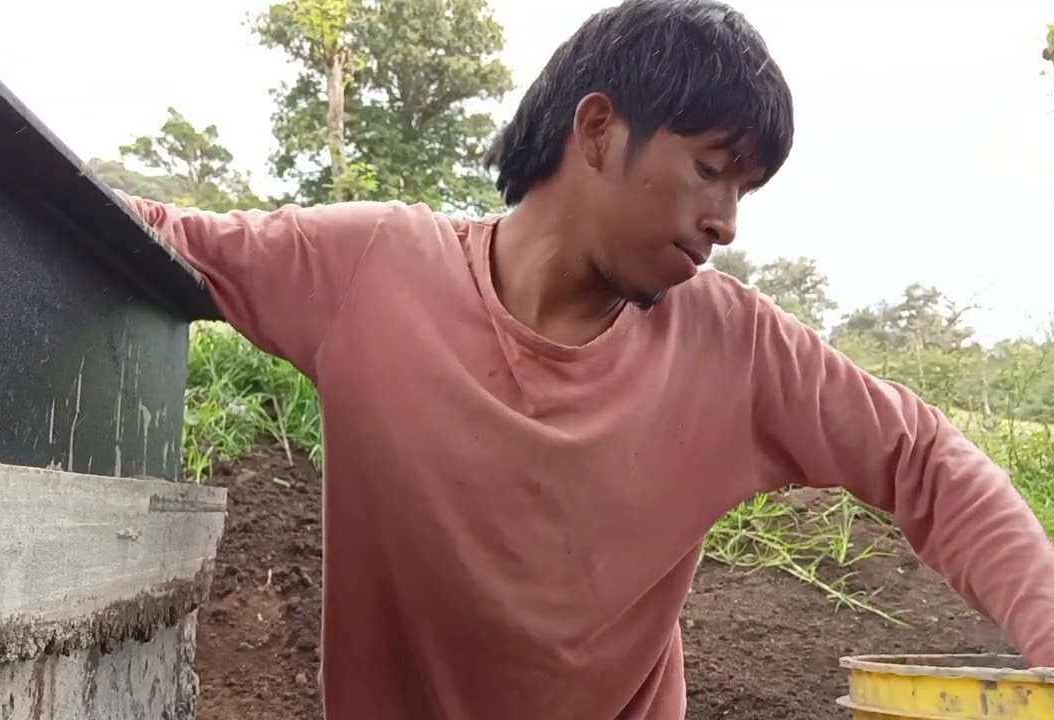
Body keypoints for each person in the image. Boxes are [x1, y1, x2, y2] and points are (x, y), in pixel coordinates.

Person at [114, 0, 1054, 717]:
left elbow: (920, 455)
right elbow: (149, 236)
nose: (726, 220)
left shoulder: (735, 346)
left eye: (746, 189)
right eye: (712, 169)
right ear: (599, 130)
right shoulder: (369, 268)